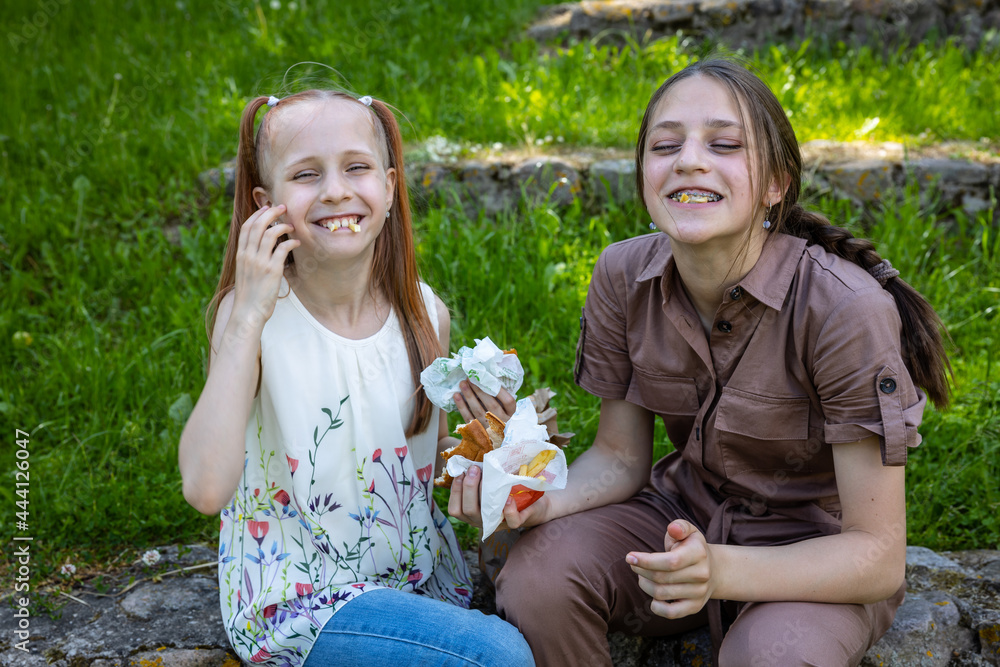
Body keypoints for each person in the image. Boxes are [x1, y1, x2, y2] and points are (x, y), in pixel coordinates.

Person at [448, 57, 949, 666]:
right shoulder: (621, 274)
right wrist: (541, 498)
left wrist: (720, 570)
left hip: (817, 554)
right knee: (539, 575)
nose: (689, 159)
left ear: (775, 183)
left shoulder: (845, 310)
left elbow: (875, 554)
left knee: (771, 656)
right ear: (643, 176)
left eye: (725, 144)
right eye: (666, 144)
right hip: (678, 517)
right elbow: (619, 457)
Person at [178, 89, 534, 667]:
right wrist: (245, 316)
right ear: (265, 204)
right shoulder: (254, 321)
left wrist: (488, 441)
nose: (336, 190)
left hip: (417, 581)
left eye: (357, 167)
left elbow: (416, 459)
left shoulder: (422, 312)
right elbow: (204, 487)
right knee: (497, 655)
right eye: (306, 174)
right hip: (301, 604)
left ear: (390, 188)